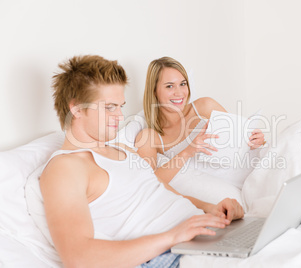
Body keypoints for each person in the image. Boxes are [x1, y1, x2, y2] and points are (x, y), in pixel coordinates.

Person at [39, 55, 243, 267]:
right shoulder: (65, 168)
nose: (119, 117)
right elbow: (78, 258)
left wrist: (213, 209)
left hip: (204, 237)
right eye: (110, 108)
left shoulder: (122, 149)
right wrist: (173, 237)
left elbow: (162, 190)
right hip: (170, 255)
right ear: (77, 109)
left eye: (120, 106)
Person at [135, 56, 265, 204]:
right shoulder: (149, 137)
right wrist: (188, 151)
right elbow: (149, 182)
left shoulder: (204, 106)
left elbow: (240, 138)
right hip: (230, 190)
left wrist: (257, 140)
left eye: (182, 84)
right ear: (154, 91)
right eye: (169, 86)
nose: (179, 93)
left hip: (254, 171)